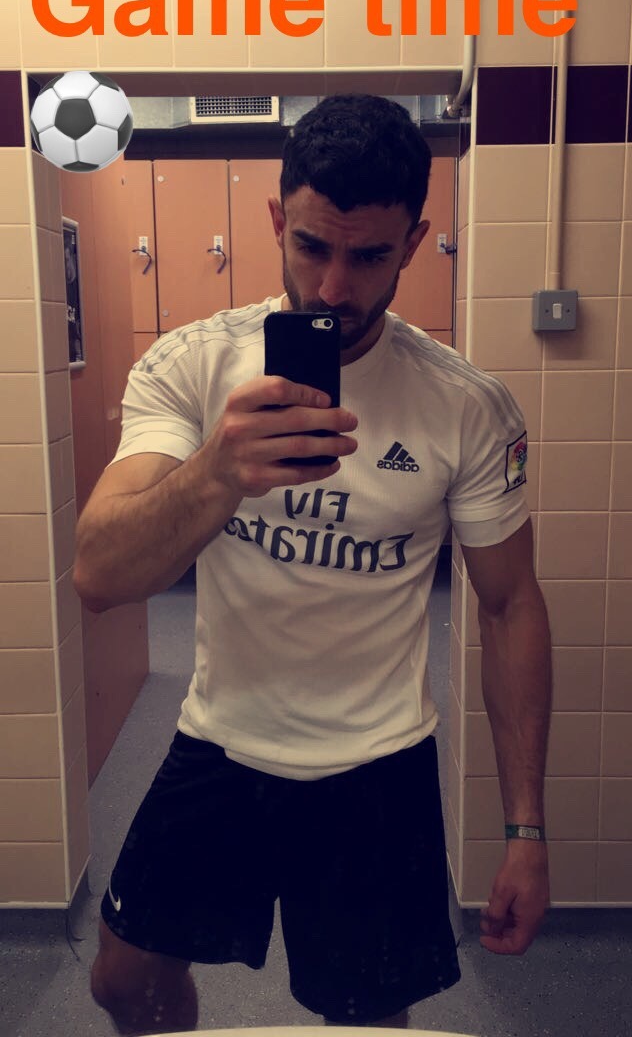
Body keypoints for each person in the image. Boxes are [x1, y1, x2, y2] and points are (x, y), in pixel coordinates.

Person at [74, 94, 552, 1036]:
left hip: (377, 763)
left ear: (413, 242)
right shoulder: (193, 366)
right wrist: (218, 470)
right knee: (122, 984)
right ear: (274, 220)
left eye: (368, 257)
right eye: (310, 246)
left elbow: (509, 608)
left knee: (366, 1019)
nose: (334, 287)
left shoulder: (466, 407)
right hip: (222, 738)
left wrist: (525, 828)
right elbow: (98, 572)